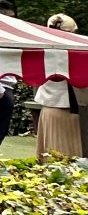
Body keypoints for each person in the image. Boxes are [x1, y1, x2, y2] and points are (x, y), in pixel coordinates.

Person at [34, 14, 82, 161]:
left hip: (49, 109)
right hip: (69, 111)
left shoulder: (40, 51)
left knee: (52, 156)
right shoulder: (76, 52)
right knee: (70, 156)